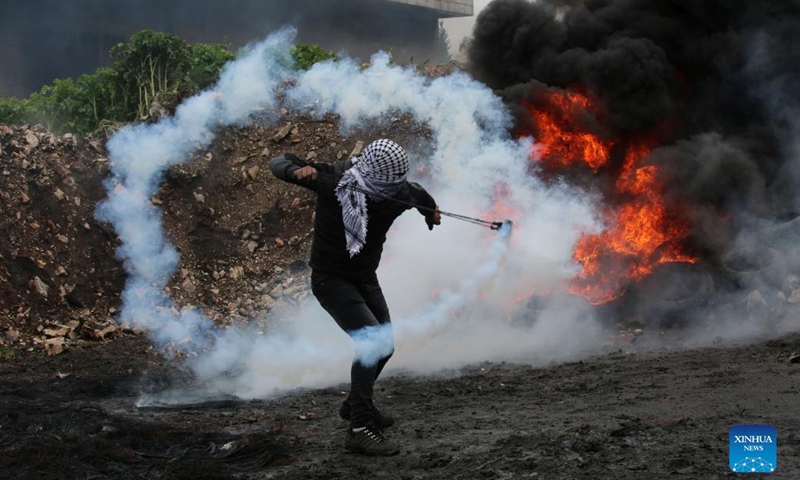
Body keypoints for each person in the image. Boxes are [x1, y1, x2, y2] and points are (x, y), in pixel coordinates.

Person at [270, 138, 441, 456]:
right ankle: (360, 429)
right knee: (371, 341)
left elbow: (418, 194)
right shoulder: (334, 180)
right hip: (330, 279)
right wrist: (298, 170)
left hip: (364, 278)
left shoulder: (398, 191)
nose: (388, 192)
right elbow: (278, 162)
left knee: (385, 346)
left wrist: (430, 214)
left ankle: (355, 405)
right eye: (384, 186)